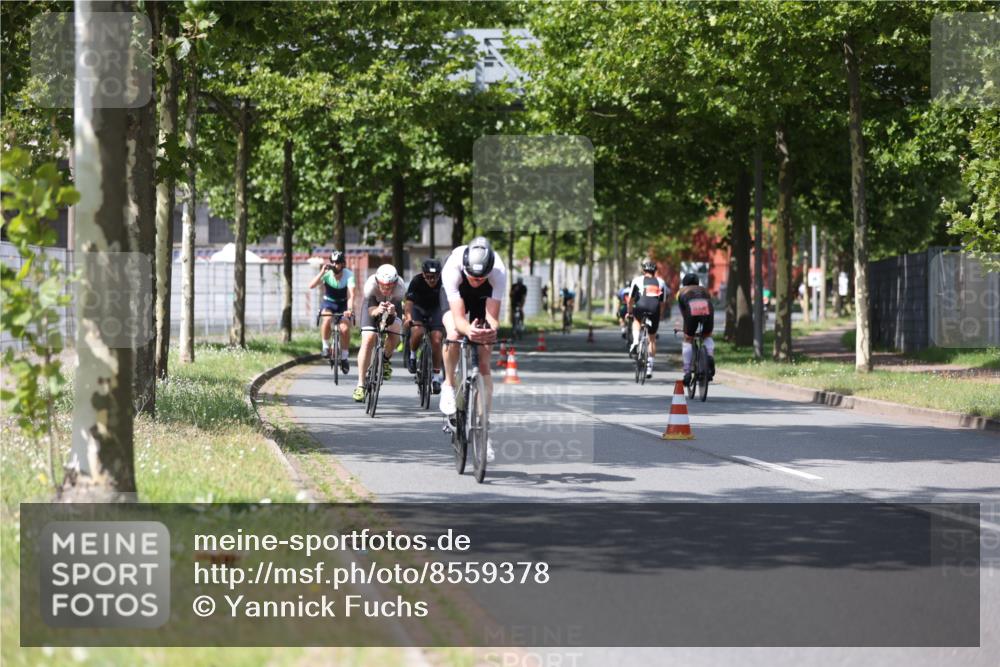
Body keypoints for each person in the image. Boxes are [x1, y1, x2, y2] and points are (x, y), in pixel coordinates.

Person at [440, 237, 506, 463]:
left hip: (482, 301)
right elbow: (459, 318)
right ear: (466, 268)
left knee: (485, 355)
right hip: (456, 296)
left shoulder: (498, 271)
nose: (477, 281)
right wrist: (469, 330)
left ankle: (484, 431)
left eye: (481, 277)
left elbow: (493, 318)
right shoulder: (453, 269)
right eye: (473, 277)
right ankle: (448, 384)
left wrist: (489, 332)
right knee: (454, 334)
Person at [352, 264, 405, 403]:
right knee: (368, 339)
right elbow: (371, 311)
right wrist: (377, 311)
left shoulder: (400, 289)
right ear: (377, 282)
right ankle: (361, 384)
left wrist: (392, 312)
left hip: (393, 306)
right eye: (383, 286)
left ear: (395, 283)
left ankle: (385, 359)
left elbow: (394, 318)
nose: (386, 289)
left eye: (390, 286)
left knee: (395, 333)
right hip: (373, 304)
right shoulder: (370, 287)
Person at [307, 250, 355, 374]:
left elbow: (351, 295)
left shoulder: (348, 275)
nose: (334, 265)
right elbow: (311, 286)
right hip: (329, 302)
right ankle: (325, 346)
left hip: (343, 303)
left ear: (343, 264)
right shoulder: (327, 274)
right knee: (327, 318)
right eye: (332, 262)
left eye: (337, 262)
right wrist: (322, 272)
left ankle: (344, 357)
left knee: (344, 329)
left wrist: (349, 310)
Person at [404, 258, 445, 393]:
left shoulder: (445, 282)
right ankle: (412, 355)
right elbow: (409, 303)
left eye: (435, 277)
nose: (431, 280)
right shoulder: (416, 281)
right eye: (428, 277)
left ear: (439, 275)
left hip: (436, 310)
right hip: (418, 309)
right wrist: (409, 318)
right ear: (423, 275)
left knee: (437, 339)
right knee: (418, 331)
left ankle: (436, 377)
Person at [627, 260, 668, 379]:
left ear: (643, 271)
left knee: (636, 320)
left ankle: (635, 341)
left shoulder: (637, 280)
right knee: (652, 339)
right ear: (655, 271)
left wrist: (629, 312)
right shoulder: (661, 282)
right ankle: (649, 368)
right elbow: (663, 303)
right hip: (654, 309)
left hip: (640, 306)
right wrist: (659, 315)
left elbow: (630, 300)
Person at [676, 272, 716, 387]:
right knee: (707, 335)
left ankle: (687, 372)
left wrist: (686, 331)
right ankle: (709, 356)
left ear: (684, 283)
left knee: (688, 339)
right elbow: (709, 302)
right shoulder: (705, 290)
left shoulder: (682, 292)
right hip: (707, 307)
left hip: (691, 309)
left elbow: (684, 313)